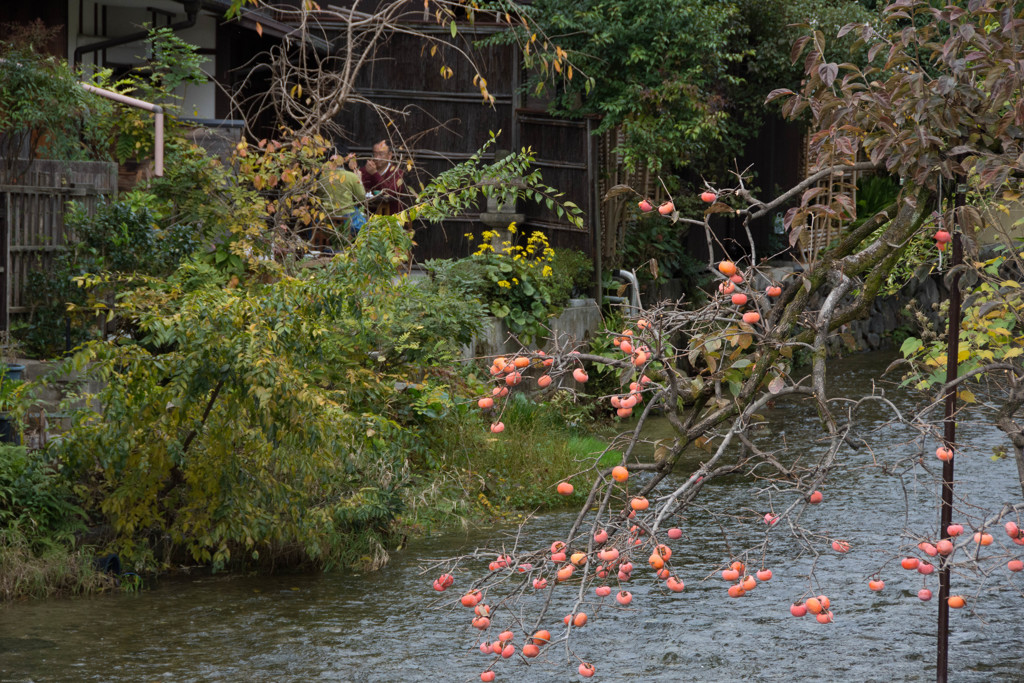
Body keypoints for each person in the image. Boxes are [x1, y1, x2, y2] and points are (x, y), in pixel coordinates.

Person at [323, 144, 368, 239]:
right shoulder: (351, 176)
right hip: (347, 218)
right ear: (345, 159)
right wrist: (359, 179)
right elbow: (361, 198)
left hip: (325, 218)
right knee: (367, 229)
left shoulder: (322, 176)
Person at [360, 139, 405, 215]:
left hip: (391, 217)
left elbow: (388, 193)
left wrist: (374, 174)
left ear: (389, 155)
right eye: (375, 154)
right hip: (368, 216)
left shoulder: (397, 173)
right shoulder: (364, 170)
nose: (377, 158)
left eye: (381, 154)